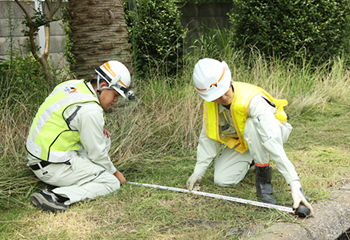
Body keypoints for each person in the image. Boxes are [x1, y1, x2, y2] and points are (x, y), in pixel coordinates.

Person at [186, 58, 313, 214]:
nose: (223, 97)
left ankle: (263, 180)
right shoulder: (211, 105)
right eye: (216, 96)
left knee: (252, 125)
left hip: (276, 131)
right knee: (222, 180)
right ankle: (253, 157)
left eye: (224, 90)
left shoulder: (252, 100)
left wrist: (294, 184)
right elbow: (208, 137)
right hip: (247, 141)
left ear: (230, 79)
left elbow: (270, 139)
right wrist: (197, 172)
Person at [26, 60, 135, 212]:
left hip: (42, 155)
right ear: (103, 87)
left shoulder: (74, 85)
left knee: (104, 138)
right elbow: (97, 154)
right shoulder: (90, 110)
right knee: (110, 182)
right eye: (115, 95)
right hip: (51, 165)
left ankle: (88, 174)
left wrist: (96, 129)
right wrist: (115, 173)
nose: (116, 100)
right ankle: (55, 196)